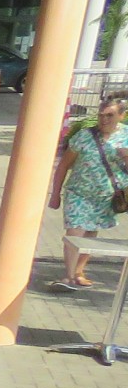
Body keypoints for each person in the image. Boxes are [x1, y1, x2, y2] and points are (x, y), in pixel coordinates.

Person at [50, 96, 128, 290]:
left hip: (107, 197)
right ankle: (68, 277)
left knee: (90, 234)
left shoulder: (126, 137)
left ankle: (78, 271)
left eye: (110, 115)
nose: (104, 120)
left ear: (121, 115)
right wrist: (55, 193)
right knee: (75, 231)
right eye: (101, 115)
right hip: (79, 193)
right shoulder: (84, 136)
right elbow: (63, 166)